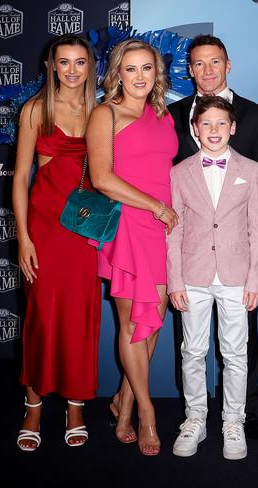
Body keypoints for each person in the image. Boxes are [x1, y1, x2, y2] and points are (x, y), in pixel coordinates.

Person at [168, 34, 258, 440]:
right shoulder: (174, 114)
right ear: (190, 69)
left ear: (228, 65)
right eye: (199, 63)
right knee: (190, 344)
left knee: (242, 338)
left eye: (215, 62)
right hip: (194, 252)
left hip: (240, 246)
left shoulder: (257, 114)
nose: (208, 70)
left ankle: (241, 414)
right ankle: (194, 416)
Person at [86, 39, 179, 457]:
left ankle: (122, 401)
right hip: (128, 224)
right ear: (116, 73)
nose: (140, 77)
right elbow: (102, 179)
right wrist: (157, 207)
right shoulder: (105, 113)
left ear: (156, 73)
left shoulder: (163, 115)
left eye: (147, 68)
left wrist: (169, 212)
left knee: (152, 321)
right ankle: (145, 413)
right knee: (130, 324)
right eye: (131, 69)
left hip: (163, 228)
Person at [12, 34, 101, 450]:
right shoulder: (35, 110)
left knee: (81, 315)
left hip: (84, 226)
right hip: (44, 226)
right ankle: (33, 404)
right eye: (63, 62)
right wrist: (23, 237)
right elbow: (19, 178)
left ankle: (76, 404)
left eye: (79, 62)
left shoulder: (101, 111)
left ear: (90, 66)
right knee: (41, 314)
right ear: (51, 65)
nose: (71, 70)